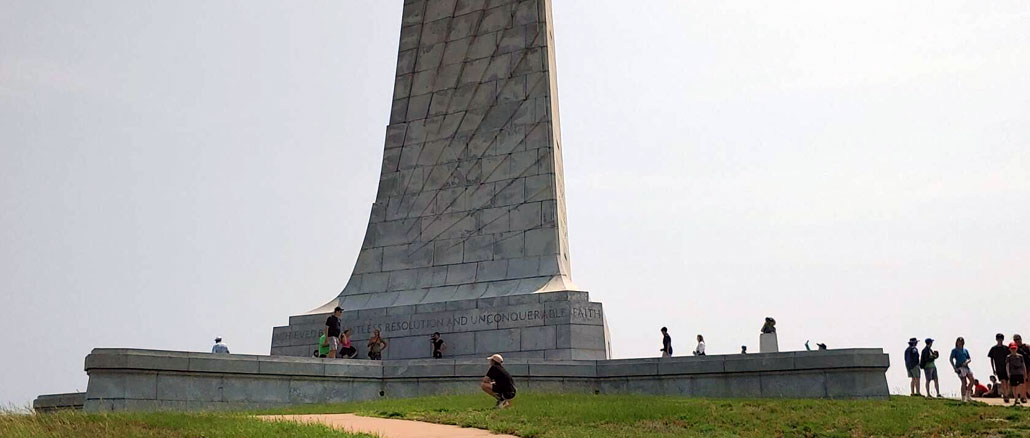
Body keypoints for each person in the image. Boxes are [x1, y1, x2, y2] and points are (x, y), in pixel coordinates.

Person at [950, 337, 975, 402]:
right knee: (964, 382)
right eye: (959, 341)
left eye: (961, 341)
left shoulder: (965, 350)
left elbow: (969, 358)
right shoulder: (954, 350)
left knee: (972, 380)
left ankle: (968, 395)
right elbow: (951, 359)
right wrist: (954, 368)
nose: (960, 342)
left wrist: (967, 362)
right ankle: (963, 397)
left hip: (966, 367)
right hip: (959, 367)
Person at [988, 333, 1011, 402]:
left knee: (1006, 382)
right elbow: (991, 359)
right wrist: (993, 369)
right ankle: (1005, 395)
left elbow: (1009, 358)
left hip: (1006, 367)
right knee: (1002, 381)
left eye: (1001, 339)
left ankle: (1007, 394)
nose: (999, 340)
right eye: (998, 339)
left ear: (1003, 339)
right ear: (996, 339)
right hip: (998, 367)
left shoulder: (1006, 348)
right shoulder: (993, 349)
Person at [1007, 341, 1027, 405]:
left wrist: (1025, 373)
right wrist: (1008, 373)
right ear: (1009, 349)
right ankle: (1016, 398)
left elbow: (1023, 365)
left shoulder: (1020, 356)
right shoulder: (1008, 357)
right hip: (1013, 373)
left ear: (1016, 348)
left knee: (1020, 385)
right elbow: (1007, 366)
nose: (1013, 350)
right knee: (1014, 386)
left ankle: (1020, 396)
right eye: (1012, 349)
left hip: (1020, 373)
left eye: (1014, 348)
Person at [1015, 334, 1030, 402]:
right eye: (1015, 340)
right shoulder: (1015, 349)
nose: (1017, 341)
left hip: (1028, 366)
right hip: (1021, 368)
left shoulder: (1027, 347)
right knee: (1023, 382)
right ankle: (1024, 396)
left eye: (1017, 339)